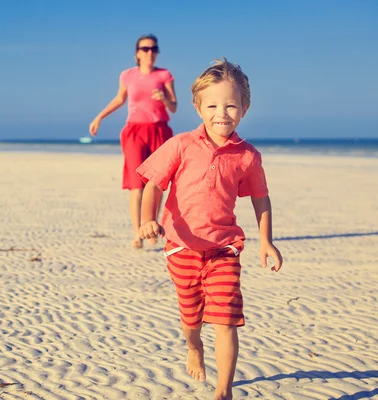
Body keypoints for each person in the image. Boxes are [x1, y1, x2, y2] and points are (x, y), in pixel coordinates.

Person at [136, 58, 283, 400]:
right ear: (198, 107)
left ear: (245, 108)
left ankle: (224, 390)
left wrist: (266, 241)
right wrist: (148, 219)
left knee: (226, 320)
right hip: (181, 248)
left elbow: (260, 199)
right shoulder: (182, 145)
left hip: (223, 250)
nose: (222, 113)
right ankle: (193, 347)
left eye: (231, 105)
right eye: (213, 105)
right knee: (191, 320)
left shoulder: (248, 156)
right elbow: (153, 186)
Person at [89, 34, 177, 249]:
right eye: (145, 49)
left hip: (160, 131)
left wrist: (164, 99)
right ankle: (138, 233)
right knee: (136, 185)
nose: (150, 53)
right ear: (137, 53)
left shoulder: (164, 75)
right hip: (134, 132)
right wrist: (99, 117)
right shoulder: (127, 75)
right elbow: (120, 99)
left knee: (156, 183)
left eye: (154, 49)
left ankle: (152, 227)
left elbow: (173, 107)